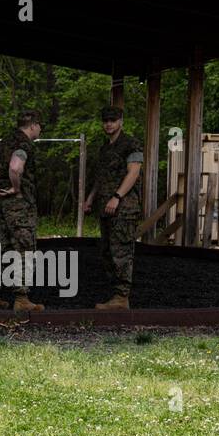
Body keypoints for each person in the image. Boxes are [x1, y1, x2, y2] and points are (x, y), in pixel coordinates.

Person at [0, 110, 44, 311]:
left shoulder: (3, 143)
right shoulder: (23, 144)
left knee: (2, 248)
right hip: (20, 206)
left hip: (1, 206)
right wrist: (16, 188)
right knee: (24, 249)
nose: (40, 130)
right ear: (33, 126)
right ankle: (21, 298)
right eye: (40, 126)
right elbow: (16, 167)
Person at [83, 105, 143, 311]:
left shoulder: (130, 144)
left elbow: (133, 173)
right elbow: (101, 178)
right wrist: (90, 198)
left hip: (124, 207)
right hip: (106, 207)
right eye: (106, 120)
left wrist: (117, 197)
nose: (109, 124)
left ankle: (122, 296)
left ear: (121, 122)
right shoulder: (105, 148)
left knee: (121, 250)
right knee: (107, 251)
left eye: (113, 120)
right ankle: (117, 294)